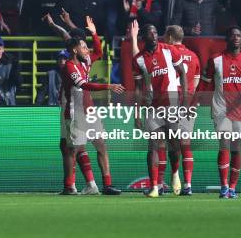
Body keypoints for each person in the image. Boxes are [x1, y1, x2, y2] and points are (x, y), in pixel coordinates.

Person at [60, 34, 125, 195]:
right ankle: (69, 186)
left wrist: (94, 34)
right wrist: (108, 86)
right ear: (75, 50)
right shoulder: (69, 66)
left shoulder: (85, 62)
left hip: (90, 112)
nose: (87, 50)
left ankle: (107, 185)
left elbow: (98, 50)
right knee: (72, 150)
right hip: (76, 113)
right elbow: (84, 85)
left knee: (101, 146)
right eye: (83, 47)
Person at [198, 26, 241, 199]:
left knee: (236, 149)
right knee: (224, 145)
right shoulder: (215, 60)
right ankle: (223, 186)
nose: (236, 38)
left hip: (240, 109)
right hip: (221, 108)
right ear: (227, 39)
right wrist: (196, 100)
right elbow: (206, 83)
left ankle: (232, 187)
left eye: (239, 35)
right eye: (233, 35)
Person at [132, 23, 187, 198]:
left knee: (174, 144)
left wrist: (184, 100)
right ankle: (154, 186)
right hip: (152, 106)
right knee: (153, 147)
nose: (154, 35)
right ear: (144, 38)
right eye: (150, 33)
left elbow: (183, 73)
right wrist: (137, 112)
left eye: (156, 32)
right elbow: (139, 89)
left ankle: (175, 173)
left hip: (171, 102)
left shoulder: (170, 50)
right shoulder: (139, 60)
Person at [161, 25, 200, 196]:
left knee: (166, 143)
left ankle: (167, 179)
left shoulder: (165, 52)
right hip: (188, 103)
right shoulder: (193, 56)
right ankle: (188, 185)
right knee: (185, 144)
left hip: (169, 101)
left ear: (169, 37)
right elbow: (196, 82)